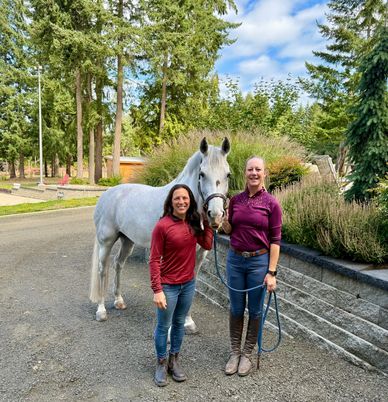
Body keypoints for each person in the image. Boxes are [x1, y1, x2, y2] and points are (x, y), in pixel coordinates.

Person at [221, 156, 282, 376]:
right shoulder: (235, 200)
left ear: (264, 173)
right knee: (236, 308)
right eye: (250, 169)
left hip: (259, 262)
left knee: (255, 309)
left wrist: (271, 272)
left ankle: (247, 352)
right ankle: (234, 352)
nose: (254, 173)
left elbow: (275, 240)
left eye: (258, 169)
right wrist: (221, 221)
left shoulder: (271, 203)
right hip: (235, 260)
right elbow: (229, 230)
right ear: (245, 172)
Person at [149, 183, 214, 387]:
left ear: (190, 201)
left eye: (185, 198)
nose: (181, 201)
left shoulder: (194, 222)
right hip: (168, 286)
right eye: (177, 198)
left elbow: (207, 245)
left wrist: (208, 223)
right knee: (163, 326)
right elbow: (153, 259)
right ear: (171, 201)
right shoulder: (162, 226)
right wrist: (157, 290)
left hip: (188, 284)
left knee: (179, 324)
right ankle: (161, 362)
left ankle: (173, 360)